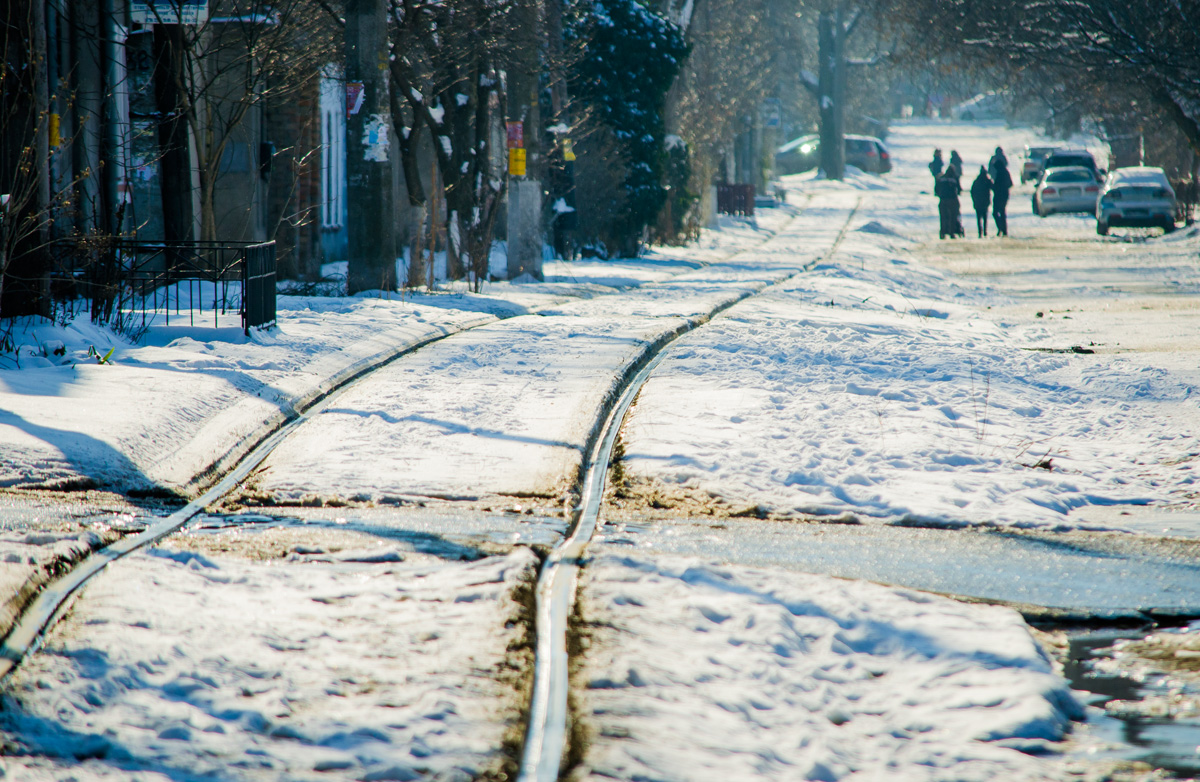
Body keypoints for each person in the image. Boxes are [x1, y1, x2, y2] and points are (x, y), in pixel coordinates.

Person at [935, 170, 962, 239]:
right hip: (952, 200)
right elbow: (959, 190)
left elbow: (936, 190)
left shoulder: (940, 179)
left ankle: (942, 233)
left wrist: (941, 195)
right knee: (953, 217)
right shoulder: (955, 178)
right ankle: (951, 233)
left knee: (943, 217)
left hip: (943, 200)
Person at [991, 152, 1013, 236]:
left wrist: (995, 187)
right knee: (1002, 213)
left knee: (996, 212)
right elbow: (1010, 184)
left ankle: (1001, 228)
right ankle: (1004, 230)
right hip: (1005, 195)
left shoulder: (1000, 173)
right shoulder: (1006, 172)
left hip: (999, 196)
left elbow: (997, 186)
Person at [970, 166, 992, 237]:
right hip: (985, 202)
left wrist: (974, 200)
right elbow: (993, 187)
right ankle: (985, 231)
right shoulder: (987, 181)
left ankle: (980, 232)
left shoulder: (976, 181)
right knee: (985, 218)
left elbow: (972, 192)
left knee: (979, 218)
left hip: (978, 202)